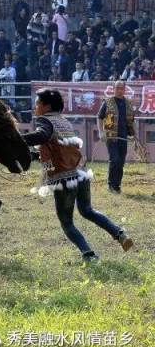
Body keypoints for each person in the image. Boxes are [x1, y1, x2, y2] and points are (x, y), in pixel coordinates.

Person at [23, 88, 133, 262]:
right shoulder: (63, 121)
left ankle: (88, 255)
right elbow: (56, 147)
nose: (35, 106)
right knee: (88, 210)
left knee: (67, 222)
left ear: (46, 106)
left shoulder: (45, 120)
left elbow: (42, 136)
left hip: (64, 177)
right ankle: (119, 234)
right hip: (80, 172)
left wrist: (17, 139)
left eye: (37, 103)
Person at [97, 81, 135, 194]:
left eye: (122, 88)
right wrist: (101, 132)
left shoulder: (128, 103)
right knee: (115, 160)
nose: (119, 90)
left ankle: (116, 185)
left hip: (123, 136)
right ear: (113, 89)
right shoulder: (108, 102)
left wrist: (133, 135)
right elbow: (99, 117)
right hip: (111, 136)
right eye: (117, 88)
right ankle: (110, 184)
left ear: (125, 89)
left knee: (121, 162)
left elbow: (132, 121)